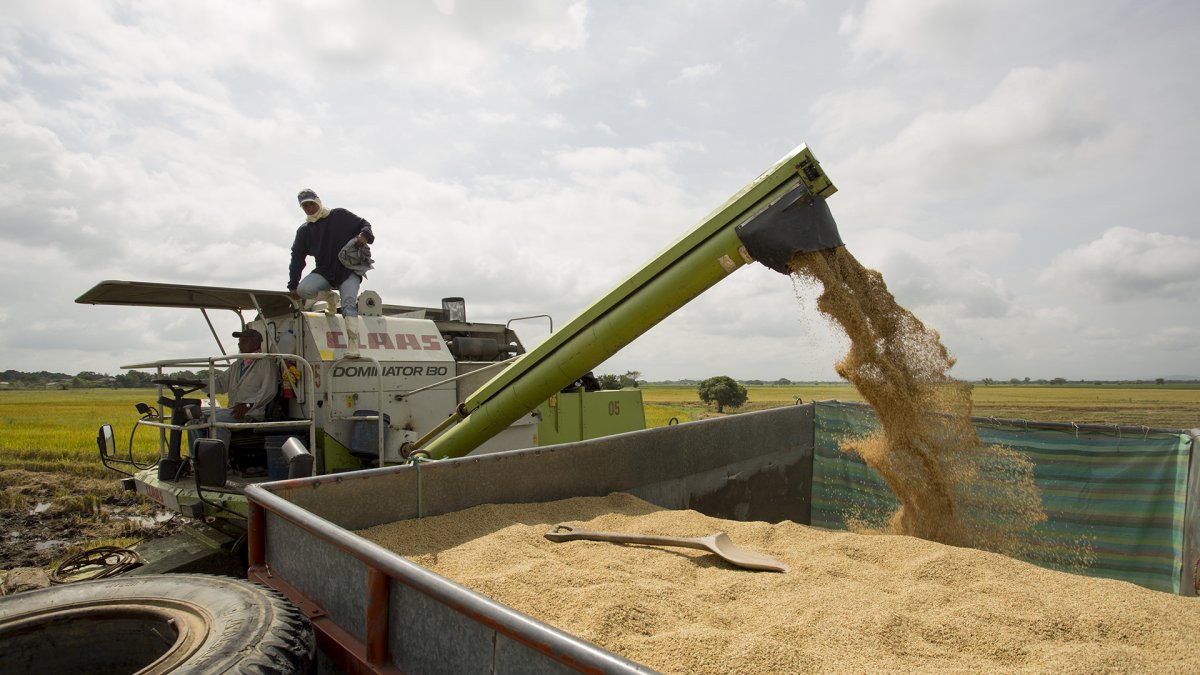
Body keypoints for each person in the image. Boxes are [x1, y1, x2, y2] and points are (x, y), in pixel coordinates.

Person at [287, 188, 375, 318]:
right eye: (305, 206)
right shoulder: (304, 231)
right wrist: (293, 284)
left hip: (349, 270)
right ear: (302, 208)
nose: (310, 208)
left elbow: (364, 224)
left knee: (349, 307)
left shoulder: (339, 215)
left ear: (318, 201)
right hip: (325, 271)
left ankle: (353, 339)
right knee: (303, 290)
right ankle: (330, 298)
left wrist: (364, 235)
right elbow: (297, 258)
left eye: (312, 203)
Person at [189, 329, 279, 454]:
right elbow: (220, 384)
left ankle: (219, 462)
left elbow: (269, 390)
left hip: (251, 413)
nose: (240, 344)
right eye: (239, 341)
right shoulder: (237, 364)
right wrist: (198, 383)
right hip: (233, 410)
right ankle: (197, 460)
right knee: (194, 419)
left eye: (244, 341)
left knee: (217, 421)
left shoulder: (266, 362)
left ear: (256, 343)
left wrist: (248, 404)